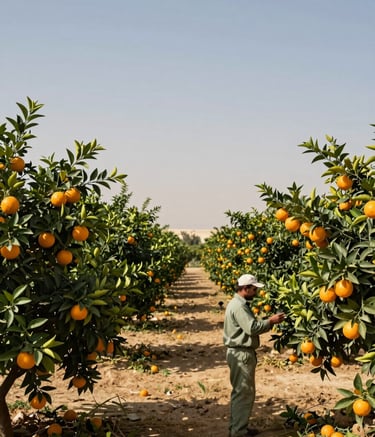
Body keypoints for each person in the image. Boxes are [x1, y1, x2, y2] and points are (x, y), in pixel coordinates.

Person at [223, 274, 285, 437]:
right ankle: (238, 431)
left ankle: (237, 427)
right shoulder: (238, 306)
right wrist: (271, 321)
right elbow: (252, 328)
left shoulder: (238, 304)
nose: (256, 291)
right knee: (244, 393)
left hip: (239, 352)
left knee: (241, 392)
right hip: (241, 353)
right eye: (254, 288)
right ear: (245, 289)